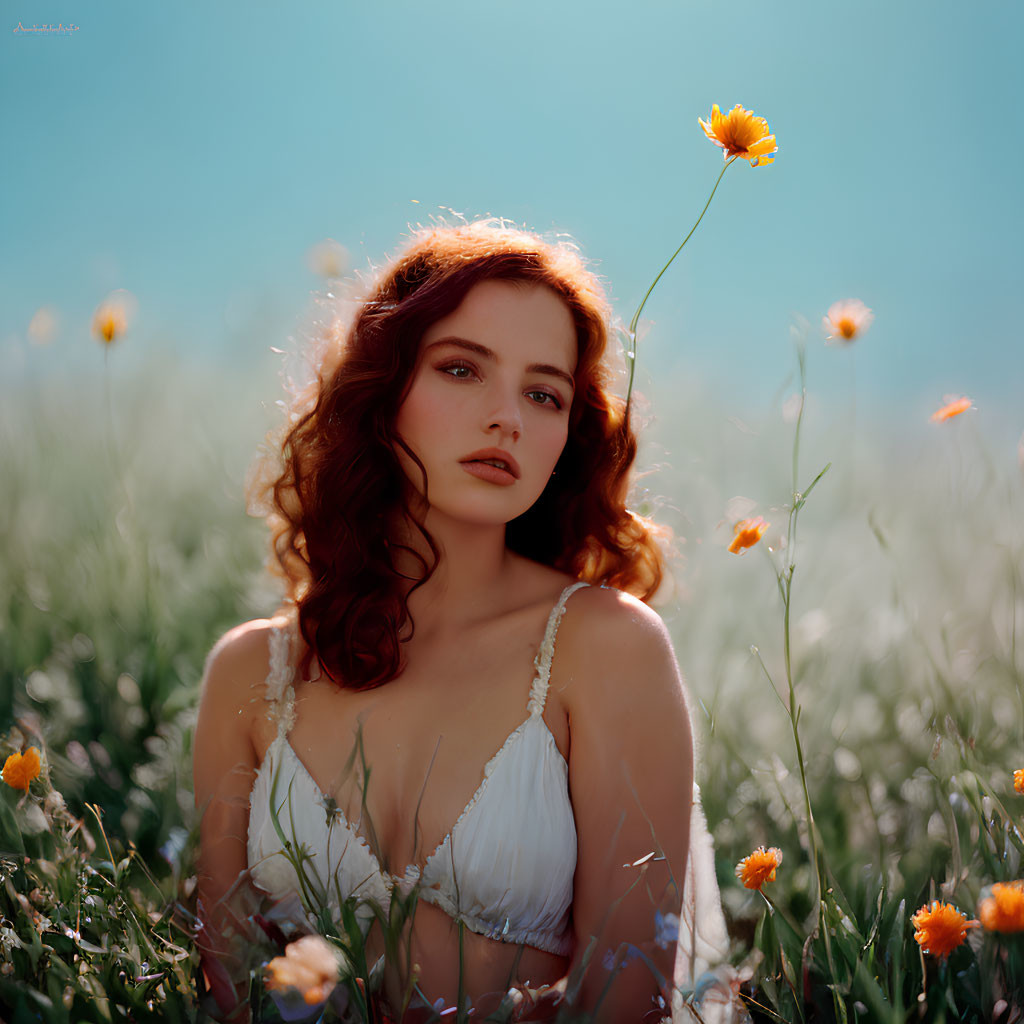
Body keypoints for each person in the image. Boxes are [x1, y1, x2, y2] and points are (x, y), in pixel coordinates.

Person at [193, 220, 739, 1023]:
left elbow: (627, 997)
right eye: (460, 369)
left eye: (542, 393)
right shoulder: (253, 673)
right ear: (383, 392)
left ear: (566, 436)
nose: (506, 418)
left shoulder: (604, 650)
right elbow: (230, 983)